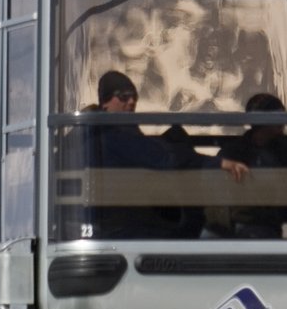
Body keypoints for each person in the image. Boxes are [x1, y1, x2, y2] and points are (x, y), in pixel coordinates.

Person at [72, 71, 249, 239]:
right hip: (127, 228)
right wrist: (218, 163)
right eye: (124, 97)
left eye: (135, 97)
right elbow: (164, 158)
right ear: (106, 103)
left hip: (120, 222)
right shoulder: (112, 133)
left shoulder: (100, 131)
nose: (132, 102)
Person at [214, 93, 287, 238]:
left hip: (272, 222)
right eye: (278, 116)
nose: (284, 122)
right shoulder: (234, 152)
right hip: (241, 224)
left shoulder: (286, 148)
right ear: (263, 120)